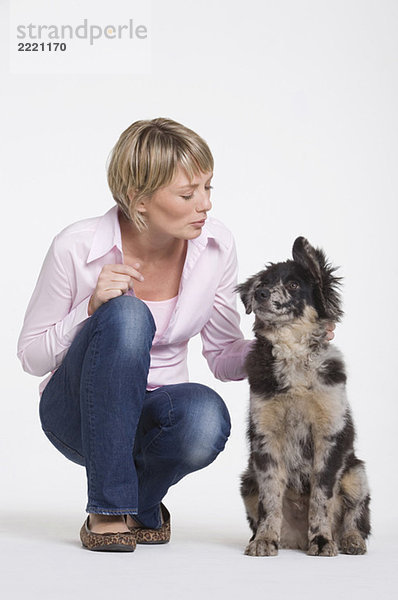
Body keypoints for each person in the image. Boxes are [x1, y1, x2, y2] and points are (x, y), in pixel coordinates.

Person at [17, 117, 335, 552]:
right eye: (187, 194)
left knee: (207, 417)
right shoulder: (76, 246)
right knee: (128, 316)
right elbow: (32, 356)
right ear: (138, 199)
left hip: (155, 417)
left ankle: (140, 505)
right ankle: (109, 511)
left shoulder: (216, 246)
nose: (204, 204)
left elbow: (223, 353)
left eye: (208, 188)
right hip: (78, 414)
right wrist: (88, 310)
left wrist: (287, 342)